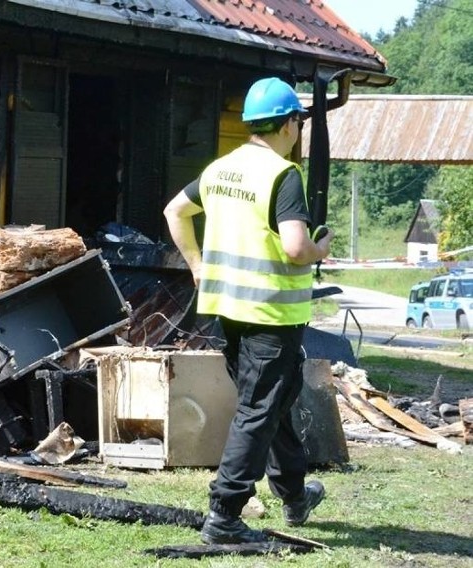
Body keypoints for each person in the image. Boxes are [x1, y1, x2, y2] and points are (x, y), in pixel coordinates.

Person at [163, 77, 334, 545]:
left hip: (228, 310)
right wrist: (320, 248)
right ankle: (224, 513)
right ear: (289, 124)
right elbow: (297, 247)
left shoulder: (221, 170)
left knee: (273, 399)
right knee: (259, 408)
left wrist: (197, 265)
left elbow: (174, 211)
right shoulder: (283, 175)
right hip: (272, 314)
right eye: (298, 121)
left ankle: (295, 493)